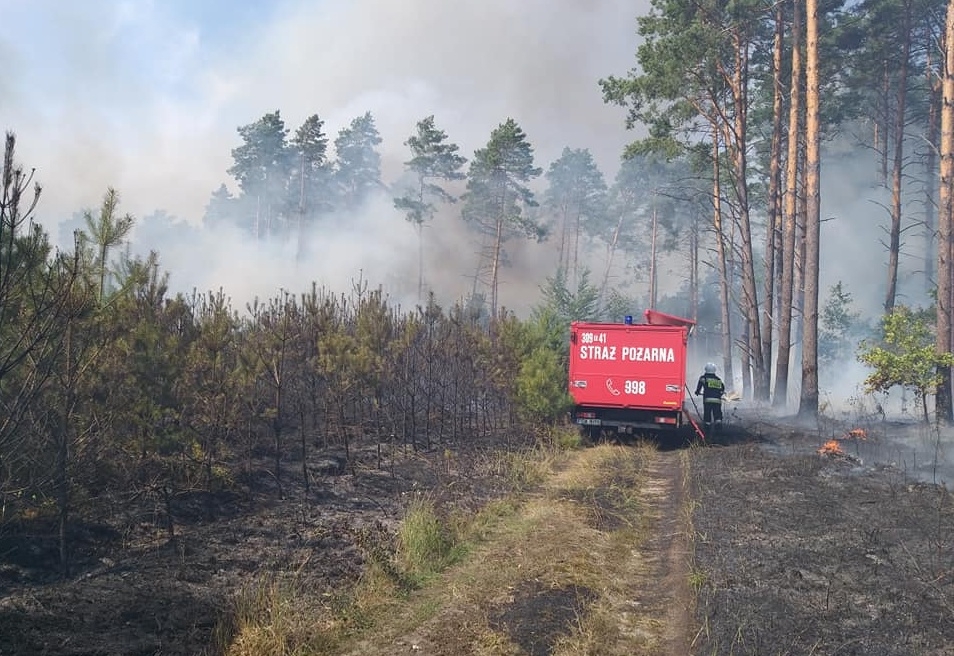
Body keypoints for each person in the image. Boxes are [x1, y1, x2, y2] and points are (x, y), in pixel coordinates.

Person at [695, 362, 725, 428]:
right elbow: (722, 388)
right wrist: (720, 393)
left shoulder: (703, 378)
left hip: (707, 400)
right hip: (717, 400)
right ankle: (718, 426)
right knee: (717, 413)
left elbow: (699, 386)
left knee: (707, 413)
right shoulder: (718, 379)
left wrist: (697, 392)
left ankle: (707, 427)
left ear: (706, 369)